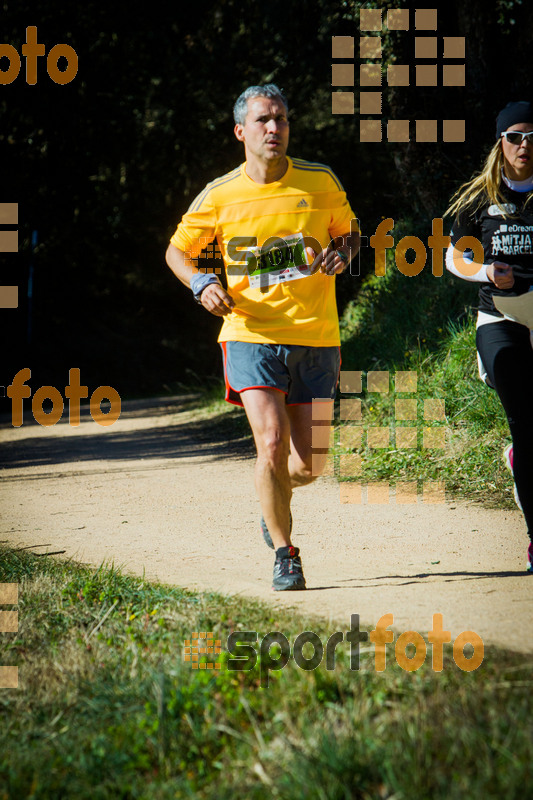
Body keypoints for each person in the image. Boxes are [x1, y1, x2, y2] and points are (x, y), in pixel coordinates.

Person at [165, 83, 359, 590]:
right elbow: (177, 252)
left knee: (310, 465)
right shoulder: (221, 193)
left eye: (281, 119)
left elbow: (349, 229)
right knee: (269, 443)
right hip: (249, 333)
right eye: (263, 121)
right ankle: (285, 552)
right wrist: (202, 281)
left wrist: (346, 251)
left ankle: (271, 506)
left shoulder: (319, 181)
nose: (274, 128)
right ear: (240, 131)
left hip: (316, 336)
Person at [445, 100, 533, 573]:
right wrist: (484, 272)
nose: (524, 146)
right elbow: (450, 258)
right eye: (516, 136)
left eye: (532, 137)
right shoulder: (479, 198)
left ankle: (520, 456)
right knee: (524, 419)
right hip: (499, 319)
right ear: (501, 141)